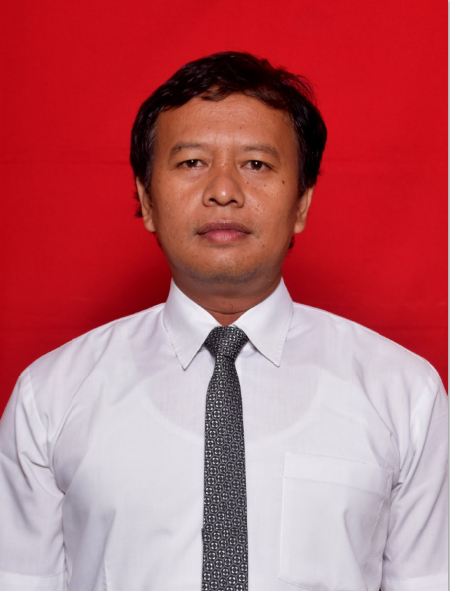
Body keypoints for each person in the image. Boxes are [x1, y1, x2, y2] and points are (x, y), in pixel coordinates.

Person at [0, 52, 447, 591]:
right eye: (192, 162)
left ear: (302, 203)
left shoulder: (404, 395)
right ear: (146, 199)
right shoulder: (51, 397)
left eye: (256, 164)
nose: (223, 190)